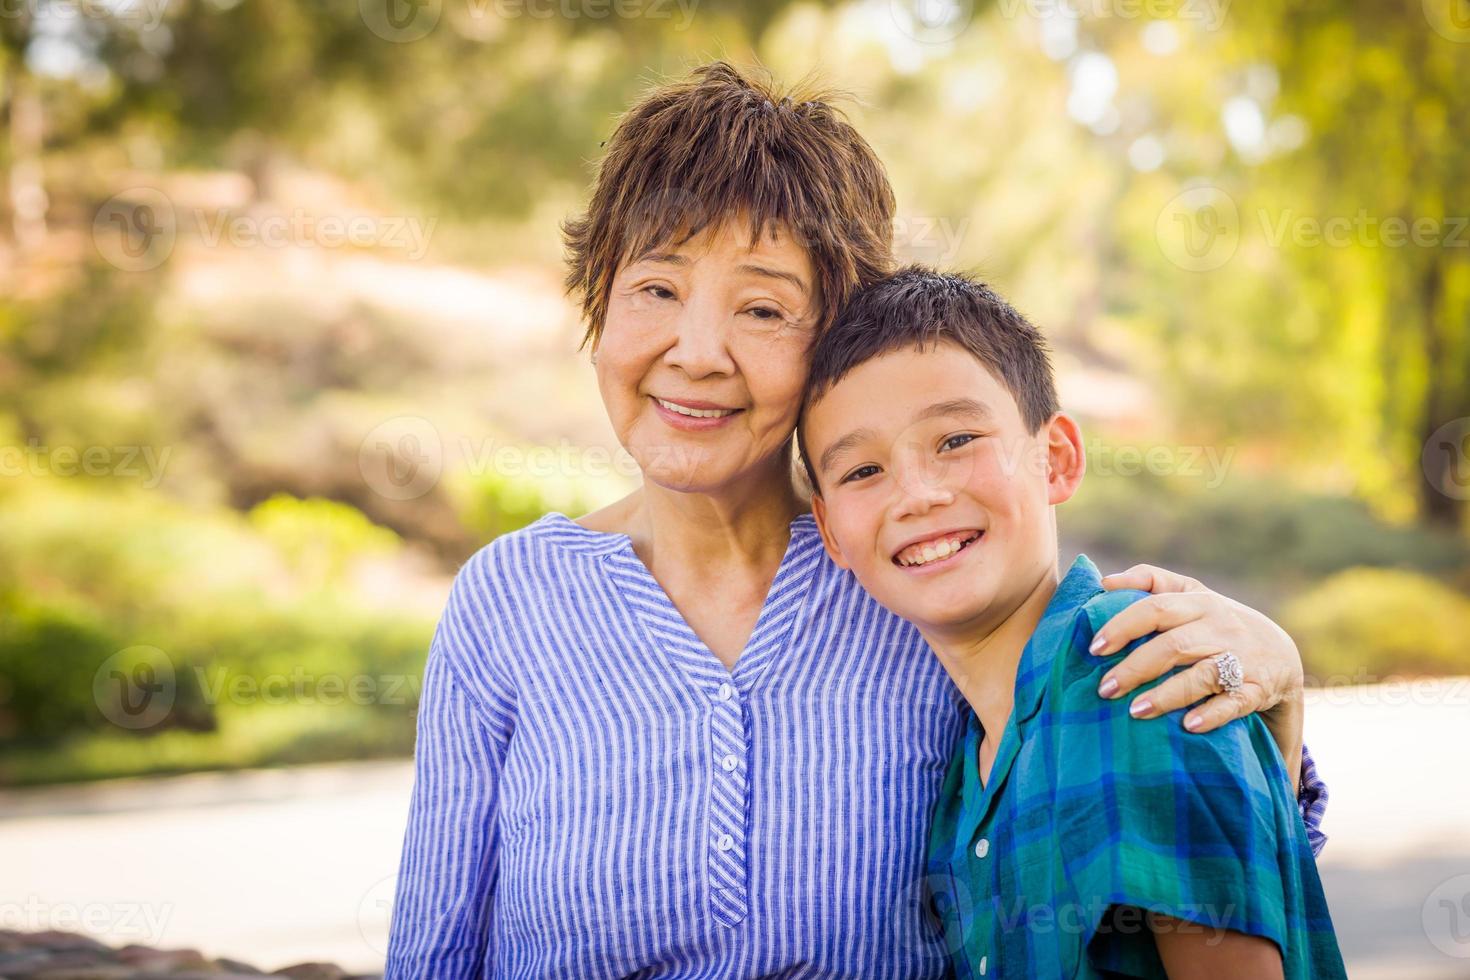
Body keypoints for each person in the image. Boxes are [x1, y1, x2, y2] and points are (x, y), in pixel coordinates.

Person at [384, 63, 1327, 978]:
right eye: (656, 289)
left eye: (762, 307)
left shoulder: (911, 577)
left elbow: (1140, 826)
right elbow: (434, 955)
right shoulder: (509, 603)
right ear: (598, 304)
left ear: (833, 343)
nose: (698, 352)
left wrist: (1276, 693)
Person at [798, 266, 1346, 978]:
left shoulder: (1130, 667)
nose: (918, 495)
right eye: (862, 472)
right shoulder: (965, 775)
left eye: (956, 439)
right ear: (831, 533)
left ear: (1054, 459)